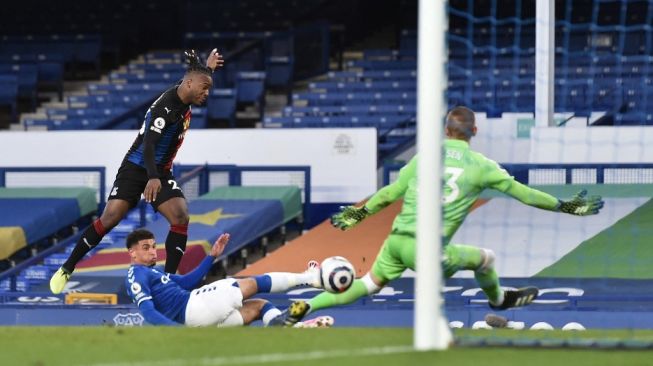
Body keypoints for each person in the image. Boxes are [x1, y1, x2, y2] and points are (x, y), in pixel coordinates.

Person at [276, 106, 605, 325]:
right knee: (486, 259)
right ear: (473, 130)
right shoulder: (482, 167)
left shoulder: (424, 157)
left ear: (446, 130)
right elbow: (525, 194)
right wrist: (564, 205)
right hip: (429, 250)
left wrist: (358, 214)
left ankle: (308, 306)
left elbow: (390, 193)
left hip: (397, 240)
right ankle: (499, 301)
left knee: (368, 283)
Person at [49, 49, 225, 294]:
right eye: (204, 89)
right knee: (110, 218)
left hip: (160, 170)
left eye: (208, 89)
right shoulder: (166, 108)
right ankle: (67, 267)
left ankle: (168, 281)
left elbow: (197, 77)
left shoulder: (186, 89)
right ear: (189, 84)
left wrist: (207, 67)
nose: (206, 94)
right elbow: (149, 145)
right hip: (137, 167)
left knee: (181, 216)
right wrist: (152, 177)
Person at [125, 228, 333, 327]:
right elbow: (148, 312)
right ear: (132, 253)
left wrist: (212, 256)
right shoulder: (136, 275)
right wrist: (177, 332)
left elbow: (188, 282)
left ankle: (297, 328)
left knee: (259, 307)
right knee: (253, 282)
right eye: (145, 248)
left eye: (153, 246)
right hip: (193, 308)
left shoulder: (155, 270)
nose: (152, 251)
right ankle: (309, 278)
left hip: (200, 319)